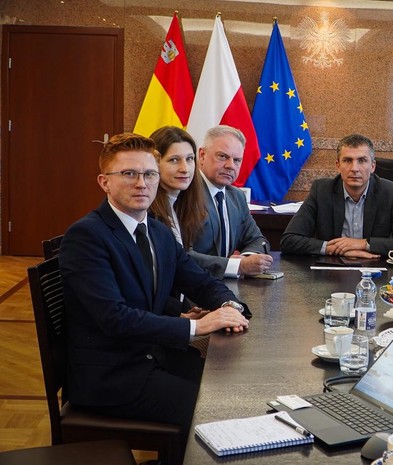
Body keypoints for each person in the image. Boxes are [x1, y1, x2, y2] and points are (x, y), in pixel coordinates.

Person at [59, 133, 251, 458]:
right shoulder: (87, 236)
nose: (141, 184)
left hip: (153, 357)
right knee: (215, 411)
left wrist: (229, 306)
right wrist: (197, 327)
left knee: (234, 390)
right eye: (129, 174)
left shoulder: (158, 231)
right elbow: (115, 318)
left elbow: (200, 281)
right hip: (111, 376)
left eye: (149, 174)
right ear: (105, 182)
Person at [280, 133, 393, 257]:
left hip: (375, 269)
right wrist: (334, 249)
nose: (354, 168)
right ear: (338, 165)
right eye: (347, 160)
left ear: (372, 166)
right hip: (331, 269)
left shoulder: (389, 192)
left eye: (362, 160)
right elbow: (288, 240)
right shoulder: (321, 191)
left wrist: (363, 244)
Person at [190, 125, 273, 278]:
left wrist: (247, 258)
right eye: (222, 156)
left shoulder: (236, 196)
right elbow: (183, 256)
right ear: (202, 155)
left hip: (224, 286)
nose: (230, 166)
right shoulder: (186, 194)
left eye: (237, 160)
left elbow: (257, 240)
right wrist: (237, 266)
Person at [148, 126, 207, 249]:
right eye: (174, 160)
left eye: (189, 159)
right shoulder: (146, 212)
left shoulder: (185, 203)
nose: (185, 169)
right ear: (154, 164)